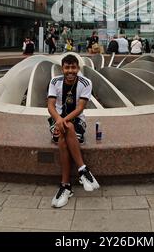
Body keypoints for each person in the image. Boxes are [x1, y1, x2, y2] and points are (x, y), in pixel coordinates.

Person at [47, 54, 99, 208]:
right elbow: (50, 106)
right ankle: (83, 170)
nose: (70, 71)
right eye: (67, 67)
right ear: (62, 68)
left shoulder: (85, 82)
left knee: (66, 130)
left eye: (73, 67)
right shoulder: (55, 81)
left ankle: (65, 186)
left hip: (77, 121)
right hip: (57, 119)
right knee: (65, 130)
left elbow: (80, 108)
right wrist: (59, 119)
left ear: (78, 68)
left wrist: (63, 121)